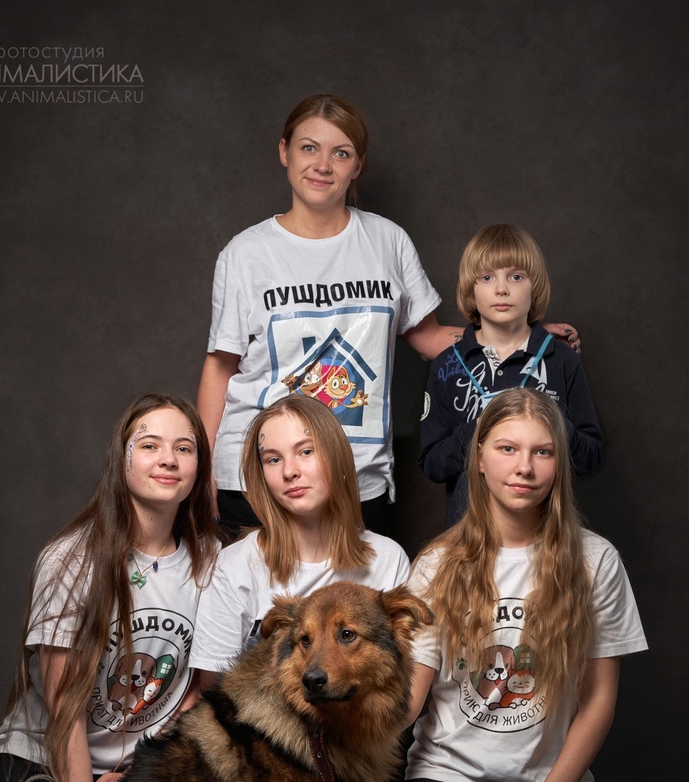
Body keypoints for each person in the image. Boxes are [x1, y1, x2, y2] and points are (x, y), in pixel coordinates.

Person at [198, 94, 581, 537]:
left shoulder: (387, 242)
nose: (322, 165)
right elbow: (221, 366)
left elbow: (429, 338)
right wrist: (204, 468)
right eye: (308, 148)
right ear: (284, 151)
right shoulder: (245, 254)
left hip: (356, 474)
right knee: (262, 586)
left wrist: (522, 335)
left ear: (358, 165)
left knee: (356, 586)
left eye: (341, 153)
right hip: (260, 474)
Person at [382, 388, 646, 782]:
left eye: (541, 452)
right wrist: (340, 770)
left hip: (543, 781)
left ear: (559, 464)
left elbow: (600, 698)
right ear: (479, 457)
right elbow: (410, 699)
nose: (524, 467)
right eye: (507, 448)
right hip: (446, 774)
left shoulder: (595, 561)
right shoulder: (438, 562)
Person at [0, 393, 220, 782]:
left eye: (184, 448)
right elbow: (66, 716)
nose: (168, 459)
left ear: (199, 468)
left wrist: (145, 770)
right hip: (49, 761)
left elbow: (200, 690)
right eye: (150, 445)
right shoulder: (71, 560)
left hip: (139, 767)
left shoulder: (212, 562)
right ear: (122, 459)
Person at [189, 394, 411, 687]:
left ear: (336, 456)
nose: (289, 471)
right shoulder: (232, 567)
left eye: (306, 452)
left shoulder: (388, 558)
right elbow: (215, 693)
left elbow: (397, 685)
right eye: (273, 459)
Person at [419, 223, 602, 526]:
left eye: (516, 277)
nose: (501, 289)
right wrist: (479, 430)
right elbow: (432, 465)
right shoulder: (447, 365)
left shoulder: (561, 360)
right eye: (487, 277)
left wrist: (551, 424)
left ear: (535, 286)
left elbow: (590, 458)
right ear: (471, 288)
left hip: (545, 536)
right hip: (470, 537)